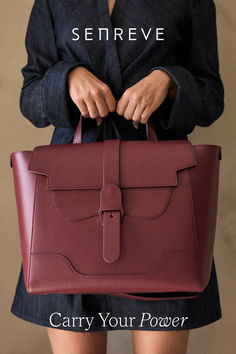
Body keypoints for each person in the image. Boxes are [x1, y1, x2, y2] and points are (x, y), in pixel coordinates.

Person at [11, 0, 224, 353]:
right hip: (69, 208)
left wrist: (170, 81)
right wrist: (66, 77)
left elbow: (211, 97)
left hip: (163, 205)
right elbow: (30, 98)